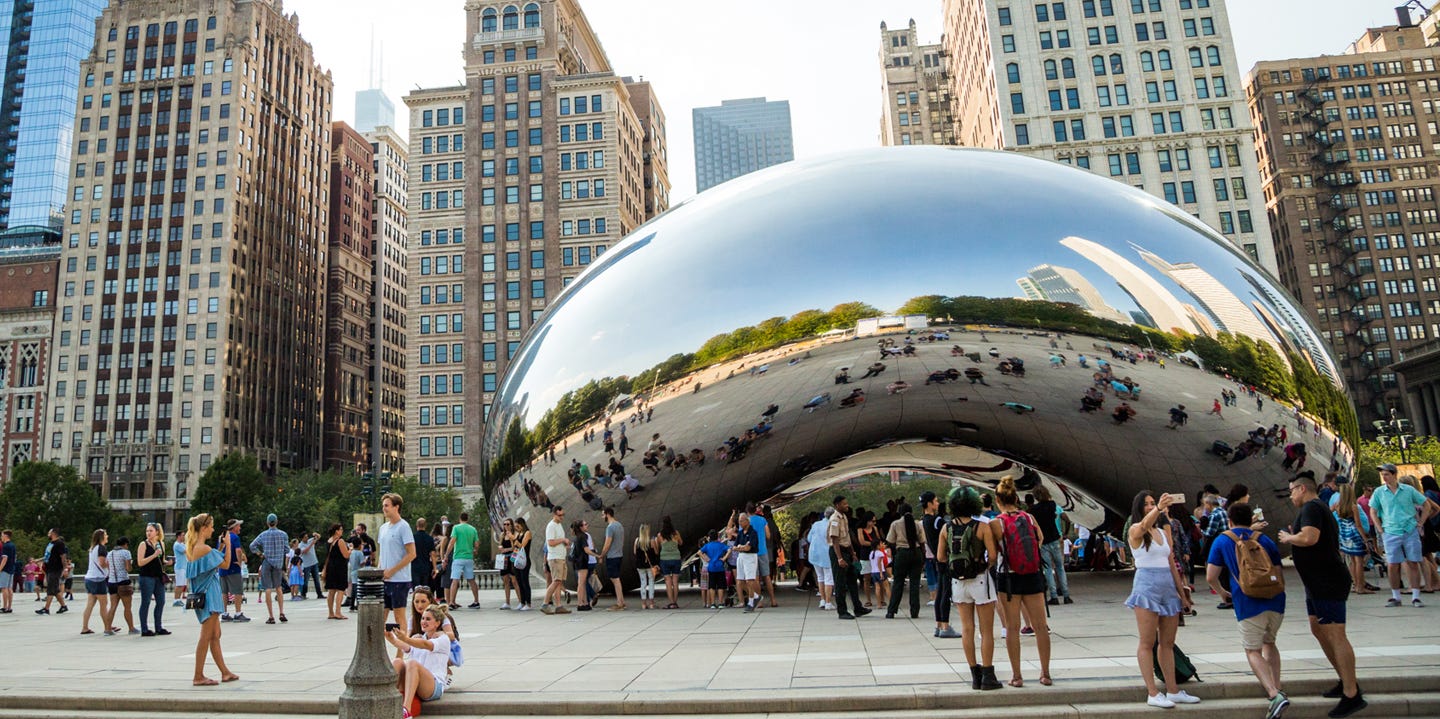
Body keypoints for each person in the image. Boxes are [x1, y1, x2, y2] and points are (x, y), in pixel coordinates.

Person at [1278, 474, 1367, 718]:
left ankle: (1352, 694)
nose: (1291, 496)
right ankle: (1344, 679)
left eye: (1292, 491)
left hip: (1327, 581)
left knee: (1335, 633)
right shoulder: (1315, 509)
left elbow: (1309, 538)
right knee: (1318, 628)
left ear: (1302, 488)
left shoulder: (1311, 507)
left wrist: (1288, 538)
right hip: (1317, 583)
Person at [1207, 502, 1289, 719]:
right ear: (1250, 519)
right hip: (1275, 601)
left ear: (1230, 520)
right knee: (1269, 643)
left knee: (1252, 650)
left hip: (1248, 601)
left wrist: (1223, 592)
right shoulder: (1265, 539)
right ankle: (1277, 686)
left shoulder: (1223, 540)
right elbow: (1279, 573)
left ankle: (1273, 693)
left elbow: (1210, 576)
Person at [1125, 491, 1199, 709]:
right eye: (1146, 504)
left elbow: (1171, 562)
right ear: (1140, 508)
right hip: (1147, 585)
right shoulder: (1135, 529)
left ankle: (1173, 689)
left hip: (1167, 585)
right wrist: (1158, 508)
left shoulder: (1161, 532)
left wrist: (1181, 592)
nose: (1150, 507)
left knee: (1167, 642)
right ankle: (1152, 691)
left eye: (1152, 503)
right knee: (1147, 642)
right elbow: (1140, 528)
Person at [937, 487, 1003, 691]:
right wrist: (984, 565)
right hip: (980, 580)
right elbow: (992, 555)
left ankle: (974, 673)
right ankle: (988, 675)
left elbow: (940, 557)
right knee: (986, 630)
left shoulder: (946, 528)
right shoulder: (981, 526)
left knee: (967, 628)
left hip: (958, 584)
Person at [991, 475, 1052, 687]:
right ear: (1016, 499)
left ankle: (1017, 676)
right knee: (1040, 626)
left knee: (1012, 627)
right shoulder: (1029, 518)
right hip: (1033, 575)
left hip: (1008, 578)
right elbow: (1040, 539)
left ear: (998, 500)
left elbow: (993, 553)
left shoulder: (996, 523)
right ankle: (1045, 673)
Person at [1369, 463, 1436, 608]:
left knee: (1413, 562)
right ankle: (1395, 596)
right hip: (1391, 531)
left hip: (1409, 530)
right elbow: (1373, 510)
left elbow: (1427, 504)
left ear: (1394, 474)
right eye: (1383, 475)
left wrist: (1421, 522)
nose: (1384, 477)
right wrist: (1379, 527)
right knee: (1393, 564)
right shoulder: (1379, 492)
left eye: (1386, 474)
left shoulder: (1408, 490)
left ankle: (1416, 596)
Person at [185, 513, 238, 686]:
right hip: (209, 596)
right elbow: (225, 564)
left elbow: (211, 564)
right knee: (206, 636)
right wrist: (228, 545)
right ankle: (198, 676)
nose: (213, 530)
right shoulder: (203, 549)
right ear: (204, 528)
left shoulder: (194, 548)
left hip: (206, 594)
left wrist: (221, 546)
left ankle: (225, 672)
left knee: (215, 634)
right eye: (211, 526)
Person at [386, 606, 453, 717]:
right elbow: (405, 646)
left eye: (428, 619)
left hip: (433, 686)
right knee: (398, 661)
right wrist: (390, 638)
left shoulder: (443, 639)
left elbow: (426, 645)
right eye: (423, 618)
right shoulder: (418, 638)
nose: (423, 622)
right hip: (413, 683)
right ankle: (386, 699)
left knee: (412, 664)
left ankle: (406, 710)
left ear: (437, 623)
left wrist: (406, 639)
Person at [921, 491, 958, 638]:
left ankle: (938, 625)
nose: (937, 504)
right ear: (929, 503)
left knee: (940, 591)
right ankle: (945, 626)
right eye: (936, 501)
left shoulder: (925, 520)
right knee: (945, 593)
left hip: (937, 558)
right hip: (944, 558)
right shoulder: (937, 521)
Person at [379, 492, 417, 632]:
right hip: (384, 579)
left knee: (398, 616)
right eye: (383, 505)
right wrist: (380, 571)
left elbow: (412, 553)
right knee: (379, 616)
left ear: (396, 507)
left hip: (399, 579)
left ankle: (401, 651)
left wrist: (392, 570)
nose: (384, 508)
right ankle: (379, 647)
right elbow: (382, 553)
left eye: (387, 505)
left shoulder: (403, 527)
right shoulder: (383, 528)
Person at [828, 495, 870, 620]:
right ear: (837, 505)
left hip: (847, 550)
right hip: (838, 551)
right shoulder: (835, 519)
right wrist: (840, 558)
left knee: (853, 579)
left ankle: (858, 607)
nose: (847, 505)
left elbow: (847, 537)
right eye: (844, 504)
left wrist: (853, 553)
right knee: (840, 582)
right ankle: (842, 611)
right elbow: (835, 539)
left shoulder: (844, 517)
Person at [1030, 485, 1072, 606]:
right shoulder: (1052, 505)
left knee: (1048, 569)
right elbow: (1064, 518)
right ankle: (1066, 595)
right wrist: (1065, 534)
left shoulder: (1034, 510)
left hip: (1043, 541)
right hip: (1055, 539)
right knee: (1060, 567)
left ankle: (1053, 596)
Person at [884, 503, 925, 619]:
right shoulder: (917, 524)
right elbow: (922, 542)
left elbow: (890, 541)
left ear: (899, 512)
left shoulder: (895, 524)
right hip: (916, 553)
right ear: (911, 511)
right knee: (915, 584)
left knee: (898, 583)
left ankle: (891, 611)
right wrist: (923, 557)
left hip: (902, 554)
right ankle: (914, 611)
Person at [1333, 484, 1374, 596]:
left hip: (1344, 535)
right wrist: (1365, 539)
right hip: (1354, 535)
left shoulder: (1337, 506)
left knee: (1351, 561)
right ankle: (1361, 586)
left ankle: (1355, 584)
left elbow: (1330, 513)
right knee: (1359, 561)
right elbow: (1358, 525)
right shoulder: (1353, 507)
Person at [248, 513, 289, 625]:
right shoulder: (283, 534)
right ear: (276, 522)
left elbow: (252, 546)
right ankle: (281, 613)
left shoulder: (263, 535)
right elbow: (287, 549)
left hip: (267, 562)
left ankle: (271, 616)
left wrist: (260, 554)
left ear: (267, 523)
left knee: (267, 588)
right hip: (278, 564)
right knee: (279, 587)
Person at [135, 523, 169, 636]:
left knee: (161, 601)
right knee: (146, 602)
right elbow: (140, 562)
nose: (148, 533)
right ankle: (144, 629)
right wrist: (154, 555)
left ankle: (158, 627)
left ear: (157, 532)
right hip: (146, 576)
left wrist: (167, 562)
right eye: (147, 531)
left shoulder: (161, 544)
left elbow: (162, 559)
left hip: (158, 577)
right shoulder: (143, 544)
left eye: (151, 531)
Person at [81, 529, 114, 635]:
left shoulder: (92, 548)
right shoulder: (101, 548)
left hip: (89, 578)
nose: (107, 536)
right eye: (105, 535)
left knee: (90, 604)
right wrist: (111, 564)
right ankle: (107, 628)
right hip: (98, 579)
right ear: (101, 537)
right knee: (104, 605)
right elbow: (102, 563)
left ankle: (85, 627)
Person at [445, 512, 481, 609]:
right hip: (468, 557)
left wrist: (446, 555)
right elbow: (477, 543)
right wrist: (475, 550)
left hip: (458, 557)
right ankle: (476, 601)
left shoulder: (456, 528)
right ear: (467, 518)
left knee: (455, 579)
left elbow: (452, 542)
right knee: (471, 580)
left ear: (459, 518)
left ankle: (452, 602)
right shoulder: (473, 529)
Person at [542, 506, 572, 615]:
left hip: (561, 556)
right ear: (554, 514)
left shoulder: (559, 525)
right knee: (556, 581)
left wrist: (564, 544)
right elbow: (550, 542)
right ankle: (545, 603)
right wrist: (563, 540)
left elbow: (556, 541)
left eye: (563, 515)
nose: (562, 517)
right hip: (555, 558)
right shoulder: (551, 526)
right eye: (559, 515)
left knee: (559, 582)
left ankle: (559, 606)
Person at [218, 519, 249, 622]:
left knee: (224, 592)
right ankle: (238, 613)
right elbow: (238, 550)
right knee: (238, 591)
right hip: (233, 568)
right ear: (234, 527)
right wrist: (239, 562)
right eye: (239, 526)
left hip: (222, 568)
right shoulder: (235, 537)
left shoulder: (222, 537)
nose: (240, 528)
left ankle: (224, 613)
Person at [106, 536, 137, 635]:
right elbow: (128, 568)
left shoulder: (109, 553)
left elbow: (108, 567)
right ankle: (131, 628)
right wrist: (130, 564)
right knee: (127, 607)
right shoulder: (126, 553)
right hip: (123, 581)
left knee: (113, 606)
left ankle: (108, 629)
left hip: (112, 582)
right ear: (125, 544)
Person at [321, 523, 351, 620]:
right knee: (340, 590)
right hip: (339, 568)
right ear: (336, 531)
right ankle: (338, 612)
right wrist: (350, 549)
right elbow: (346, 555)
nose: (342, 531)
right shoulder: (340, 541)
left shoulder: (329, 541)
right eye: (341, 529)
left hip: (330, 567)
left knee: (331, 591)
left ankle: (331, 612)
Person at [599, 507, 627, 611]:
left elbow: (607, 543)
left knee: (615, 579)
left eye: (603, 515)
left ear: (607, 514)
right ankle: (621, 601)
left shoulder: (610, 527)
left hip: (612, 556)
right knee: (616, 578)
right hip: (619, 555)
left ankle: (620, 603)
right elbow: (622, 541)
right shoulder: (619, 525)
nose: (602, 517)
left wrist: (601, 555)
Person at [37, 528, 70, 615]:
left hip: (55, 569)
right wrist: (38, 560)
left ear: (53, 533)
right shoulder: (50, 543)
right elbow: (48, 556)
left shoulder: (60, 543)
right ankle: (63, 606)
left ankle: (46, 609)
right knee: (55, 590)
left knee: (51, 588)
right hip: (49, 568)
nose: (48, 534)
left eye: (49, 532)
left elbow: (63, 557)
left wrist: (65, 569)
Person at [808, 509, 835, 610]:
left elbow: (809, 538)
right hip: (827, 554)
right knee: (829, 578)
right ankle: (828, 602)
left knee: (820, 577)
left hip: (815, 554)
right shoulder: (833, 525)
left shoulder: (816, 524)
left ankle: (822, 600)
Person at [655, 516, 684, 609]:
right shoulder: (676, 533)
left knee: (668, 581)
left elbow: (658, 547)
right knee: (675, 581)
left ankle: (671, 602)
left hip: (665, 560)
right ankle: (675, 602)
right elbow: (681, 543)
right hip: (676, 558)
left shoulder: (660, 535)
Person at [734, 512, 761, 612]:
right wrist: (740, 547)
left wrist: (742, 547)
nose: (740, 523)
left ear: (747, 521)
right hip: (741, 557)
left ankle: (751, 602)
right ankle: (755, 596)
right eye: (739, 521)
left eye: (741, 521)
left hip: (750, 557)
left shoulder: (753, 532)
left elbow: (749, 547)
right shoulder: (740, 533)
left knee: (749, 580)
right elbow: (735, 546)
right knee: (740, 581)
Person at [411, 518, 437, 608]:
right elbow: (433, 554)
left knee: (416, 588)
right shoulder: (429, 538)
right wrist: (435, 568)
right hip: (426, 566)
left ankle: (416, 604)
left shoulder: (412, 538)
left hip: (414, 566)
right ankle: (425, 603)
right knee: (425, 588)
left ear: (416, 526)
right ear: (425, 526)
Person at [700, 531, 730, 609]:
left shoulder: (707, 546)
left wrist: (706, 559)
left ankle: (713, 603)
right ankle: (720, 603)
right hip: (720, 566)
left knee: (712, 586)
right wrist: (724, 558)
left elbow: (699, 552)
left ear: (709, 537)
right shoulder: (721, 545)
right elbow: (729, 550)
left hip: (711, 567)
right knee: (720, 586)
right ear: (717, 537)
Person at [572, 520, 597, 611]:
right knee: (581, 583)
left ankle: (585, 603)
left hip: (579, 562)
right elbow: (587, 550)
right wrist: (597, 555)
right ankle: (580, 603)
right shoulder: (583, 536)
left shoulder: (577, 537)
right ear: (581, 527)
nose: (587, 526)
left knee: (582, 583)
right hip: (582, 562)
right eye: (585, 525)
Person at [633, 523, 658, 610]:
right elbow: (656, 552)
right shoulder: (651, 541)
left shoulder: (637, 541)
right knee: (651, 583)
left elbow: (635, 553)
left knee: (643, 583)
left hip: (640, 565)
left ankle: (643, 604)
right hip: (650, 565)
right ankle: (651, 603)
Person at [512, 518, 534, 611]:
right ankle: (522, 602)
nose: (517, 528)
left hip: (524, 560)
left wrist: (514, 539)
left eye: (518, 526)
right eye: (515, 526)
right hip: (517, 559)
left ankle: (528, 603)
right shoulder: (518, 534)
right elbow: (515, 547)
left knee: (525, 581)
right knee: (519, 582)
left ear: (522, 524)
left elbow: (522, 546)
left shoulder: (527, 533)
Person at [297, 531, 322, 600]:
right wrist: (312, 544)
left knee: (316, 579)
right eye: (305, 537)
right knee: (306, 580)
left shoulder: (310, 540)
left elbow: (319, 537)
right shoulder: (300, 545)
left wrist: (316, 534)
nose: (307, 538)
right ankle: (303, 594)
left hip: (314, 562)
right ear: (302, 538)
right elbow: (305, 551)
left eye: (307, 536)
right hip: (306, 564)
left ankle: (319, 594)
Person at [172, 529, 189, 608]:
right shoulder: (177, 545)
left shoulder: (182, 544)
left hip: (183, 567)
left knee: (182, 584)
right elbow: (186, 551)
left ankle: (178, 600)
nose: (184, 537)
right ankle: (176, 600)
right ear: (178, 536)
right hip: (180, 567)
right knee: (179, 584)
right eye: (183, 535)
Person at [0, 529, 16, 614]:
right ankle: (9, 607)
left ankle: (4, 607)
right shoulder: (12, 545)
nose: (1, 537)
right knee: (9, 588)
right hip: (11, 569)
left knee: (4, 588)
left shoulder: (6, 546)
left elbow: (4, 558)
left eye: (2, 535)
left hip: (5, 569)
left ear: (6, 536)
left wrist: (0, 568)